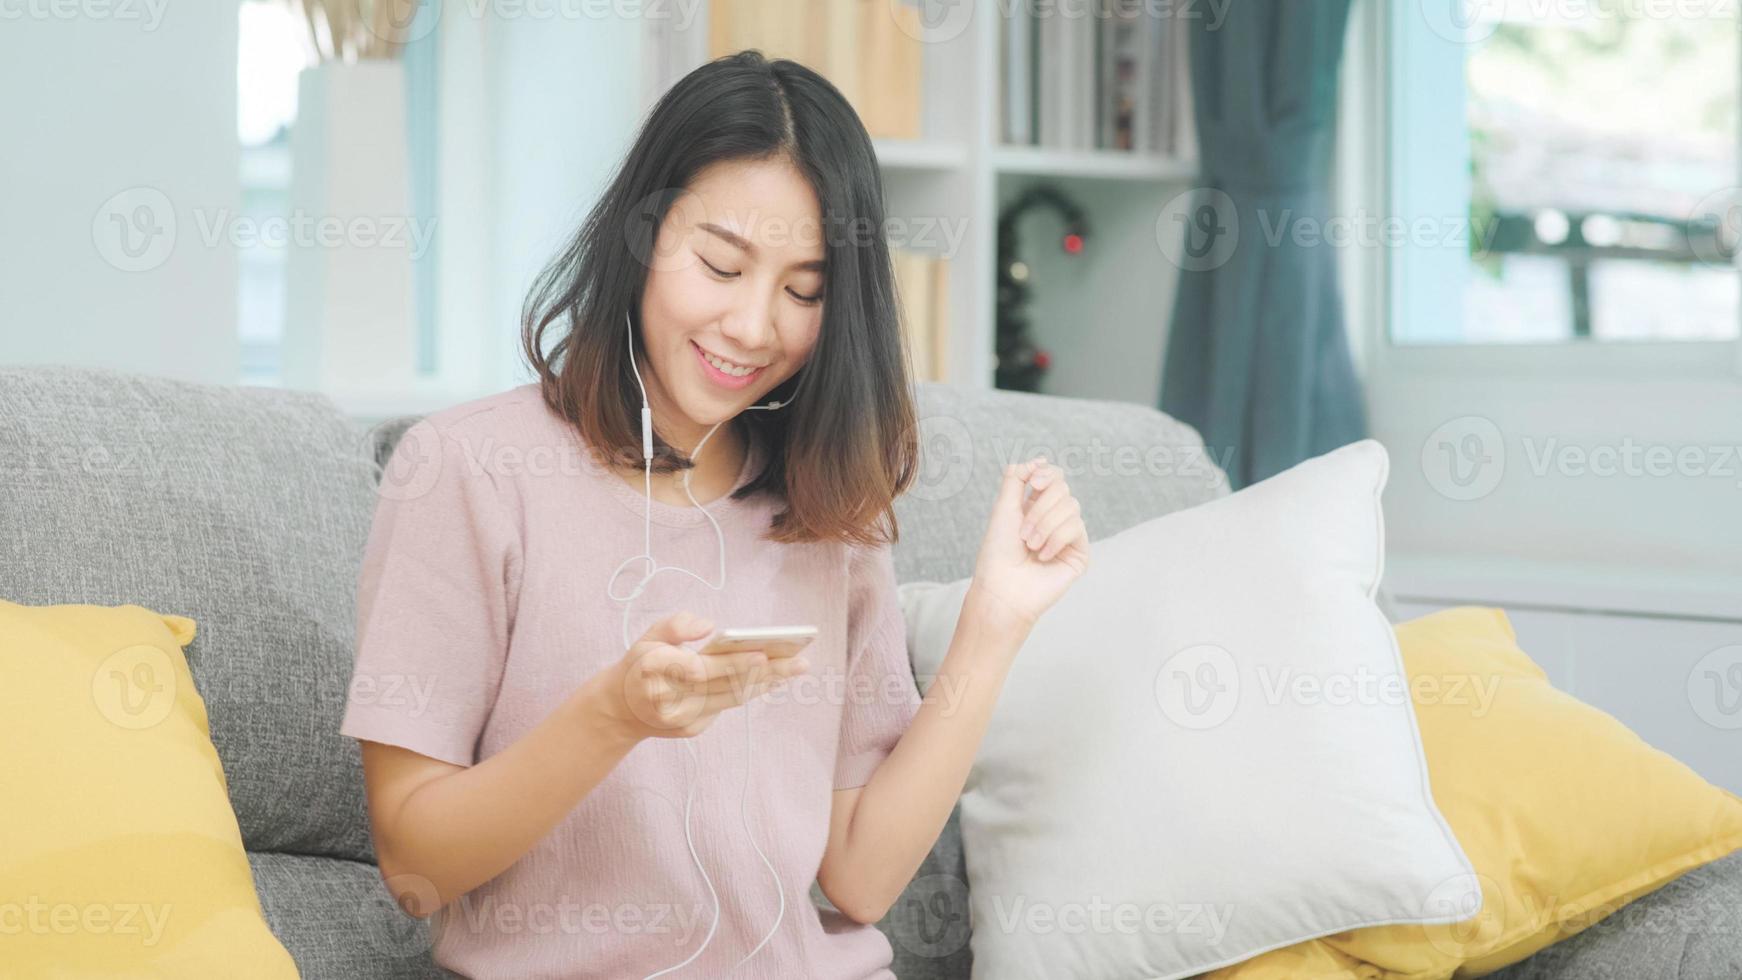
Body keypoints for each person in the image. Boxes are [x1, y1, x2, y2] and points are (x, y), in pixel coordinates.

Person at [339, 49, 1091, 979]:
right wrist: (613, 716)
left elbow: (860, 877)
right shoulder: (465, 472)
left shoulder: (826, 509)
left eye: (803, 290)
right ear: (642, 236)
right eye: (720, 264)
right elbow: (414, 869)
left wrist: (993, 625)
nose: (753, 326)